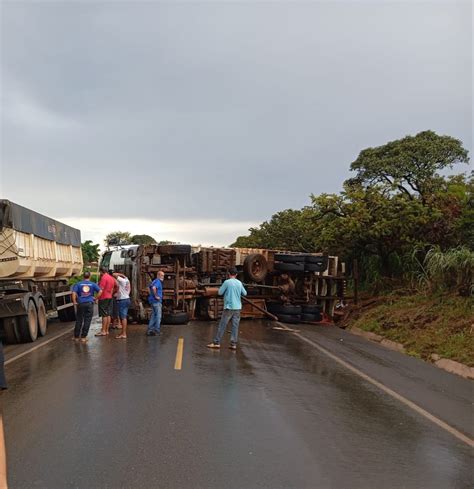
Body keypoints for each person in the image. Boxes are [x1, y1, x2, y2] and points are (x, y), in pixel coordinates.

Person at [207, 268, 247, 350]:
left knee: (222, 325)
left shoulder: (227, 282)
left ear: (229, 274)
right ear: (236, 275)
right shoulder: (239, 283)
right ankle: (233, 344)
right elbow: (245, 293)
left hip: (229, 307)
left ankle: (216, 342)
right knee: (235, 326)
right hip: (237, 308)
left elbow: (220, 292)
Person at [72, 271, 102, 343]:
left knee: (79, 319)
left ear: (83, 276)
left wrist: (74, 302)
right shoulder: (93, 284)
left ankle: (76, 337)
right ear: (90, 276)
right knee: (87, 320)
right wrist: (95, 298)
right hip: (89, 303)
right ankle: (83, 337)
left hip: (81, 303)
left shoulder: (78, 284)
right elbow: (100, 291)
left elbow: (73, 293)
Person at [95, 267, 116, 337]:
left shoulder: (104, 278)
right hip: (110, 297)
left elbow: (101, 290)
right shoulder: (111, 278)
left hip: (103, 298)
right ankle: (106, 330)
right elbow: (113, 288)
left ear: (101, 272)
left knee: (104, 315)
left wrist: (96, 298)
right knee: (108, 314)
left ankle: (103, 331)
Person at [112, 272, 131, 339]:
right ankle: (123, 332)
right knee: (123, 317)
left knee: (123, 317)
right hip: (127, 298)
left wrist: (119, 274)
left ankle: (124, 333)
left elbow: (114, 274)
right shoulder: (127, 280)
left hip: (122, 300)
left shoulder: (122, 280)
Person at [147, 271, 164, 336]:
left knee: (153, 316)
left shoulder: (153, 281)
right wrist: (156, 296)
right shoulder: (158, 281)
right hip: (156, 302)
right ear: (158, 275)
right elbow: (154, 288)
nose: (163, 277)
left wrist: (151, 295)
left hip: (152, 301)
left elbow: (149, 287)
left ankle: (150, 330)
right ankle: (157, 330)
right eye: (162, 275)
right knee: (158, 316)